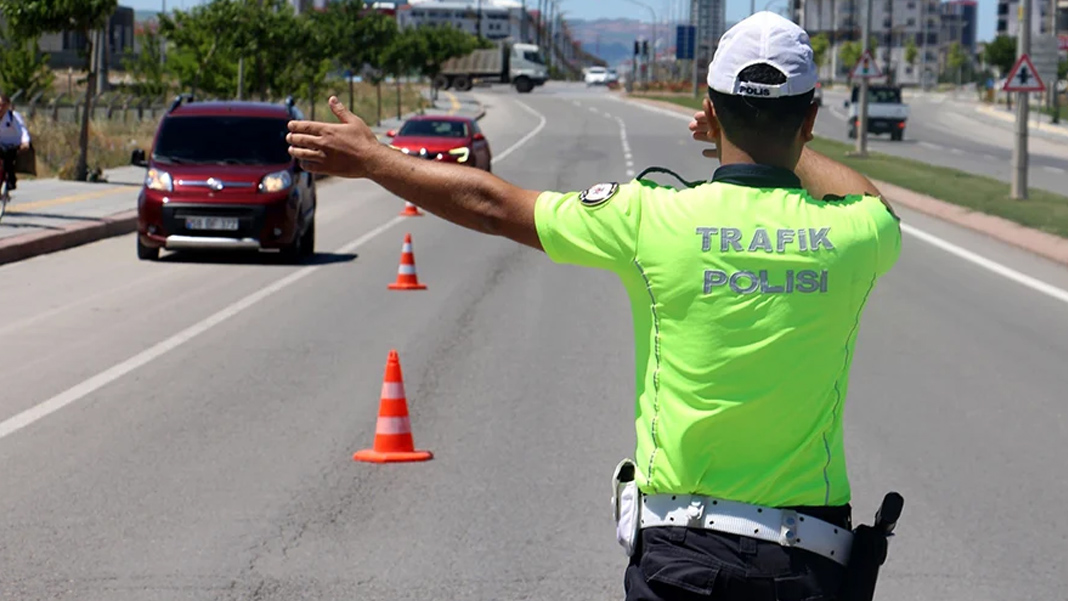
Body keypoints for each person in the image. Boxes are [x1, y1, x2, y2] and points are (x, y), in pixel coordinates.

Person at [285, 11, 901, 601]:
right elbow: (870, 198)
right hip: (809, 566)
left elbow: (497, 206)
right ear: (811, 118)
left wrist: (375, 159)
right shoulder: (856, 235)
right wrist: (781, 143)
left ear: (709, 110)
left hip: (682, 558)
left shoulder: (650, 216)